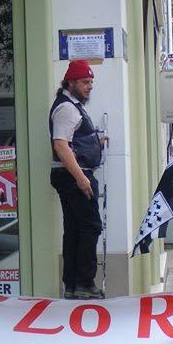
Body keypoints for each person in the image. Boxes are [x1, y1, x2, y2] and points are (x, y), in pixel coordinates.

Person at [50, 59, 106, 300]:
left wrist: (95, 142)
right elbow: (61, 145)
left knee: (74, 229)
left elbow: (71, 141)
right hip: (74, 176)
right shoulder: (67, 109)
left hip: (68, 176)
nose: (89, 86)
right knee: (90, 227)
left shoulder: (70, 106)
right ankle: (84, 282)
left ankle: (73, 284)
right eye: (85, 82)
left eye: (91, 82)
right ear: (70, 82)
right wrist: (81, 178)